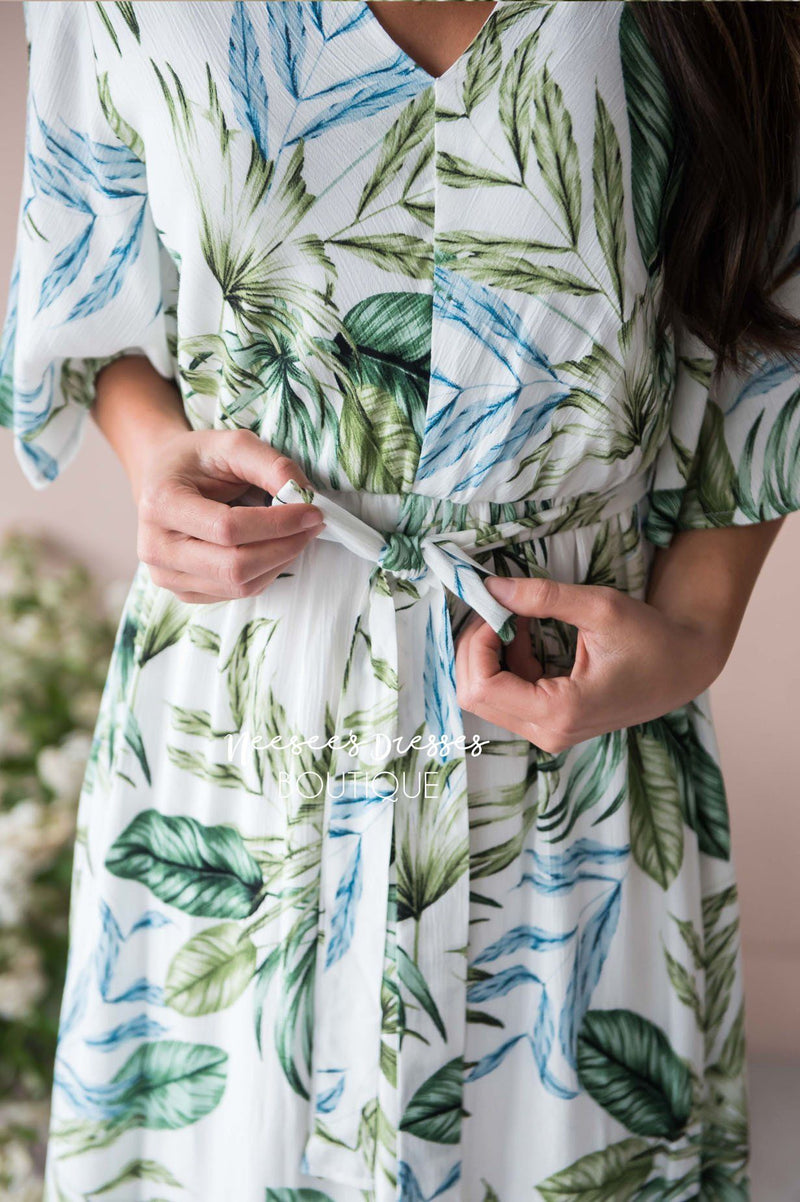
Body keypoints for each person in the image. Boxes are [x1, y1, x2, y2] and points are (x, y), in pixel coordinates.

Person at [2, 1, 799, 1199]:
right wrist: (157, 455)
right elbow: (91, 280)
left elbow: (764, 315)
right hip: (238, 733)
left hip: (567, 747)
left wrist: (693, 631)